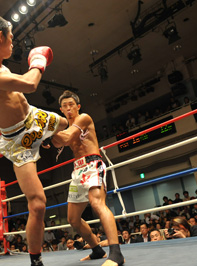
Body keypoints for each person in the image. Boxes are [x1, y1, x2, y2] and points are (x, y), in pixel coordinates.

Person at [0, 15, 68, 266]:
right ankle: (35, 260)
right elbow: (29, 85)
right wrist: (38, 60)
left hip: (34, 118)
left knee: (68, 124)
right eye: (11, 38)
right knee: (38, 204)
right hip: (17, 141)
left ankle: (50, 141)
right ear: (0, 36)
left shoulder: (1, 68)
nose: (13, 44)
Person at [50, 90, 124, 266]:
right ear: (61, 109)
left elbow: (65, 139)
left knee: (97, 204)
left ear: (78, 107)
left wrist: (46, 127)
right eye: (65, 106)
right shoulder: (64, 127)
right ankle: (97, 249)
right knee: (73, 219)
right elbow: (57, 142)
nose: (68, 108)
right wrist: (45, 132)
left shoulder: (84, 118)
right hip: (77, 170)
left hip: (93, 164)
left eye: (71, 105)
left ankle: (116, 253)